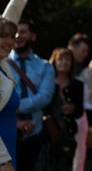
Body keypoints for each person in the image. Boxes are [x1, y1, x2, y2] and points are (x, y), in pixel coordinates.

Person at [9, 15, 55, 171]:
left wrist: (14, 106)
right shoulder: (2, 64)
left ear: (33, 36)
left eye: (23, 32)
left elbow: (44, 97)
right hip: (6, 130)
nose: (18, 36)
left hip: (36, 132)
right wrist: (16, 122)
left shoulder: (45, 66)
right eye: (15, 32)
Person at [0, 0, 33, 171]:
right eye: (2, 37)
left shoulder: (3, 64)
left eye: (12, 37)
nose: (9, 41)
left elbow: (8, 19)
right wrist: (3, 161)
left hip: (9, 143)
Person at [41, 47, 84, 170]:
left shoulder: (77, 85)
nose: (64, 62)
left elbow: (80, 111)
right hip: (47, 132)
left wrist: (73, 108)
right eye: (61, 59)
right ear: (54, 61)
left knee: (64, 165)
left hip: (67, 133)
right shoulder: (45, 82)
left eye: (68, 60)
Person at [68, 33, 90, 171]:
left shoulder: (81, 68)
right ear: (72, 47)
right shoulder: (62, 67)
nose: (86, 54)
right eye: (83, 51)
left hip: (80, 115)